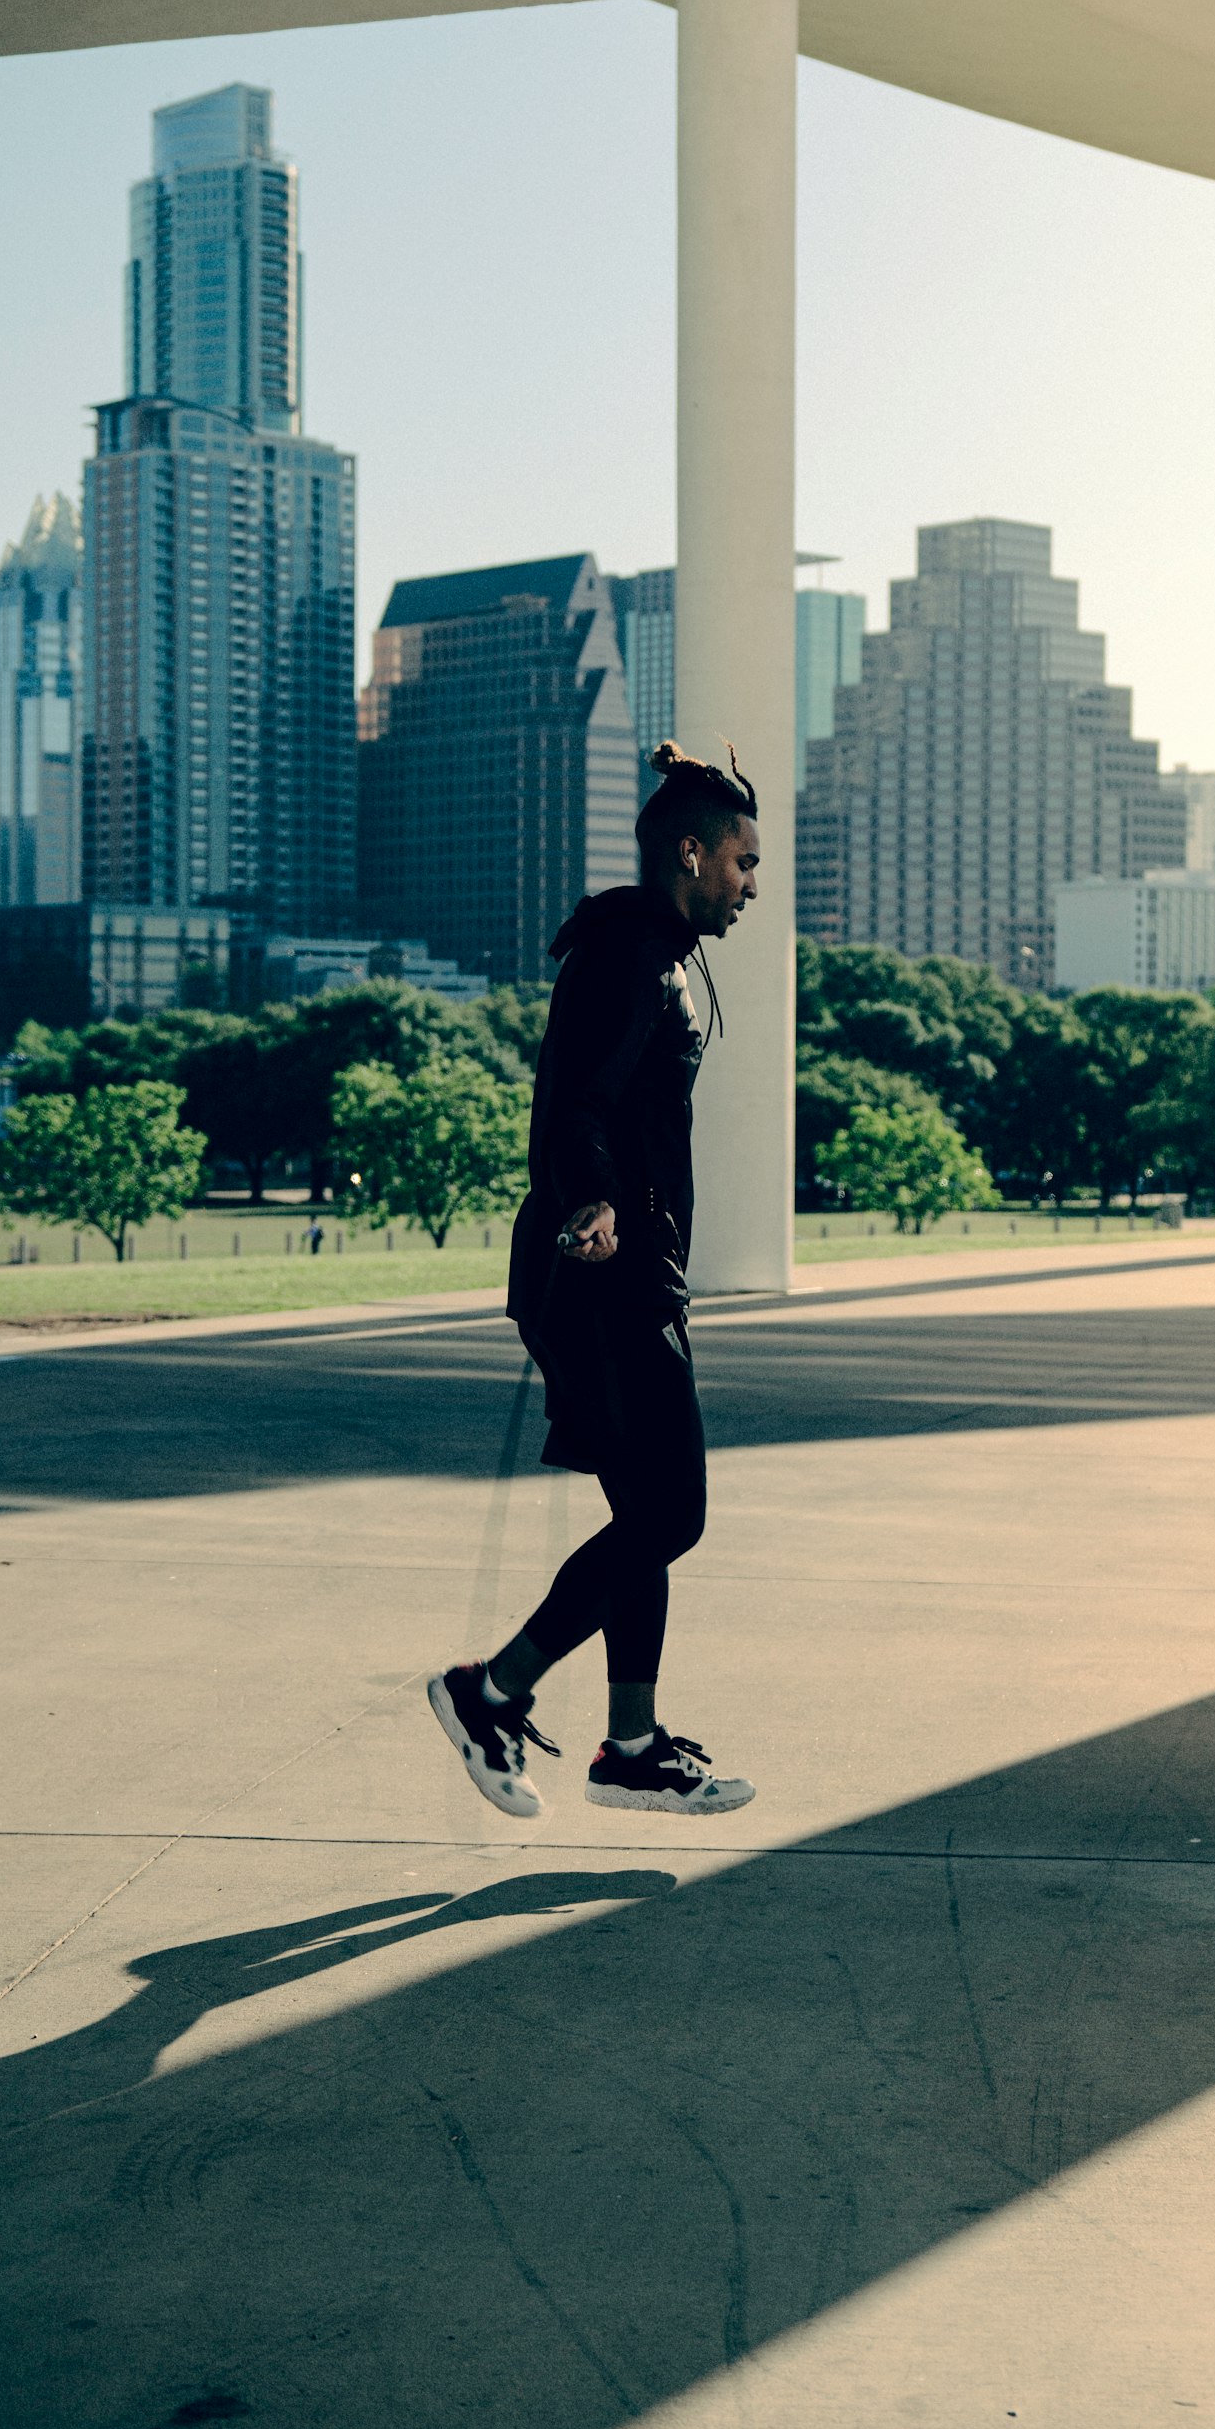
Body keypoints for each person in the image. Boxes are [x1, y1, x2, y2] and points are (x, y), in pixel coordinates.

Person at [427, 741, 762, 1821]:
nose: (750, 884)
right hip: (600, 1275)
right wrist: (593, 1201)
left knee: (645, 1514)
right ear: (690, 852)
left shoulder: (654, 951)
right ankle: (488, 1690)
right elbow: (574, 1097)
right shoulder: (625, 957)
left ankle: (628, 1744)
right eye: (741, 863)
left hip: (630, 1269)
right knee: (670, 1511)